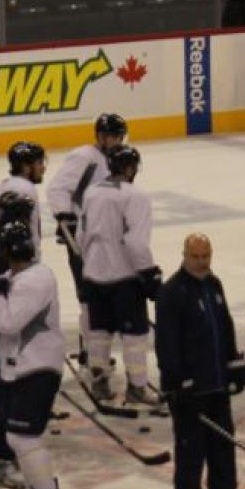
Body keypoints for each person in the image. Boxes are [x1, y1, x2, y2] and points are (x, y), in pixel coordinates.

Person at [155, 234, 245, 489]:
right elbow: (166, 343)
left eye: (206, 256)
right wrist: (178, 382)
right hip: (189, 388)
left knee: (223, 441)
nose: (202, 262)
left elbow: (225, 328)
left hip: (216, 382)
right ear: (184, 255)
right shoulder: (172, 292)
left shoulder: (214, 285)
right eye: (196, 257)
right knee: (191, 446)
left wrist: (234, 367)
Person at [0, 221, 68, 489]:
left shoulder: (35, 279)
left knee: (21, 436)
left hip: (38, 367)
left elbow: (7, 324)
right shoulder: (14, 278)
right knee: (19, 437)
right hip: (18, 367)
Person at [78, 145, 162, 406]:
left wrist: (93, 262)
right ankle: (137, 387)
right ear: (129, 168)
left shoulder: (92, 192)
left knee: (99, 334)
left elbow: (81, 235)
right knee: (134, 338)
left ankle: (99, 383)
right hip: (124, 277)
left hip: (93, 274)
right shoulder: (136, 195)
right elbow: (136, 242)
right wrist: (148, 272)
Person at [47, 114, 128, 363]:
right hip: (82, 236)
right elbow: (58, 188)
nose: (115, 141)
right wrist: (65, 216)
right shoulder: (85, 156)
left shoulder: (117, 160)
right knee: (88, 294)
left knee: (99, 293)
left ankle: (92, 348)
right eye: (111, 136)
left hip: (105, 235)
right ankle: (90, 351)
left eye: (118, 136)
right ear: (100, 136)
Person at [0, 141, 46, 255]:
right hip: (16, 262)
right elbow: (15, 235)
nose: (43, 168)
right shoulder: (22, 189)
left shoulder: (8, 185)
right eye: (39, 163)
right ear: (25, 167)